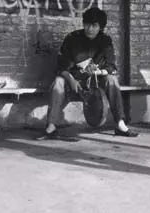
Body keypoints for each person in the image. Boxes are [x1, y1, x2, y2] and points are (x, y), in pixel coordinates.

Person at [42, 8, 138, 139]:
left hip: (95, 83)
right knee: (58, 82)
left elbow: (111, 67)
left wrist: (98, 71)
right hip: (74, 81)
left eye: (94, 25)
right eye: (87, 24)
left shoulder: (105, 41)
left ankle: (121, 124)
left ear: (101, 27)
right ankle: (51, 127)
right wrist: (71, 80)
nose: (90, 28)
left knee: (112, 80)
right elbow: (61, 67)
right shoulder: (72, 39)